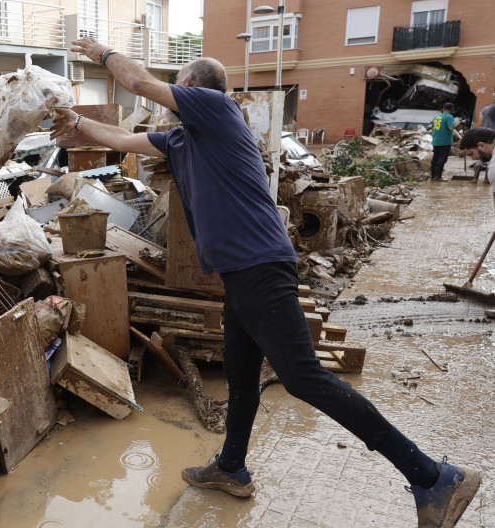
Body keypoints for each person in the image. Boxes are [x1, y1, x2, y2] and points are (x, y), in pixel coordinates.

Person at [49, 37, 481, 528]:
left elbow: (140, 83)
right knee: (240, 369)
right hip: (240, 273)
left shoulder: (216, 108)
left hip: (259, 264)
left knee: (302, 377)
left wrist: (102, 52)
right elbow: (122, 140)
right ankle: (231, 467)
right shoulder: (182, 139)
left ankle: (432, 475)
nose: (171, 93)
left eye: (179, 84)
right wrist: (79, 125)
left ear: (191, 88)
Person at [429, 102, 457, 181]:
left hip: (436, 140)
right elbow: (451, 128)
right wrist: (459, 123)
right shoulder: (449, 117)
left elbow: (432, 130)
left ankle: (433, 176)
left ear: (442, 109)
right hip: (445, 141)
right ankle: (438, 177)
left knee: (435, 158)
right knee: (442, 158)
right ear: (452, 109)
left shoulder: (436, 117)